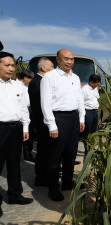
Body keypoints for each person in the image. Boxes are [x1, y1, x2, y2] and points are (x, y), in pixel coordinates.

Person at [40, 49, 85, 201]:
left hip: (74, 118)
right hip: (59, 118)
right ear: (58, 60)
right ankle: (53, 188)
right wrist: (51, 124)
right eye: (66, 59)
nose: (69, 62)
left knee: (70, 154)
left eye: (72, 59)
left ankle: (67, 182)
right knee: (55, 155)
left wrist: (81, 118)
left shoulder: (76, 77)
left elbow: (79, 99)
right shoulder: (50, 77)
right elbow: (45, 103)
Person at [0, 51, 33, 218]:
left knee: (14, 164)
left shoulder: (17, 86)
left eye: (13, 65)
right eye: (7, 65)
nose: (11, 68)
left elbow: (22, 109)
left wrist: (25, 127)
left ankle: (15, 195)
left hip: (16, 129)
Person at [28, 57, 54, 186]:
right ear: (43, 67)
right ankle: (41, 178)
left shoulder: (42, 81)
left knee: (47, 150)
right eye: (51, 66)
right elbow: (41, 104)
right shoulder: (37, 82)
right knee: (43, 151)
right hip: (42, 122)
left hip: (44, 121)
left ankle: (45, 175)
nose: (53, 69)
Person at [16, 68, 35, 162]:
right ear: (25, 78)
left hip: (28, 110)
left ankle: (27, 154)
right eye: (30, 79)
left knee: (28, 133)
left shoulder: (25, 86)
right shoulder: (16, 86)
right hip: (20, 113)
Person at [81, 74, 101, 155]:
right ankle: (87, 150)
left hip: (94, 112)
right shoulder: (84, 89)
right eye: (97, 83)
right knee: (87, 132)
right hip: (87, 112)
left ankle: (92, 148)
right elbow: (81, 102)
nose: (98, 85)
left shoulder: (95, 89)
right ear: (91, 82)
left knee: (94, 131)